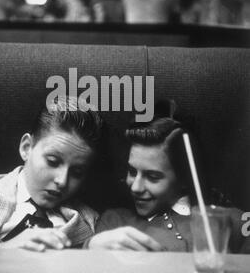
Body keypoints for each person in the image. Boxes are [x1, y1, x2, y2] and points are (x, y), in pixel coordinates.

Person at [0, 97, 106, 252]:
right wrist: (3, 248)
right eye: (52, 161)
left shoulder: (91, 222)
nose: (62, 181)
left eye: (77, 172)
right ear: (26, 148)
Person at [88, 108, 250, 253]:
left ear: (184, 179)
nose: (135, 187)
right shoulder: (114, 222)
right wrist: (90, 246)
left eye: (152, 177)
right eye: (132, 171)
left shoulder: (234, 221)